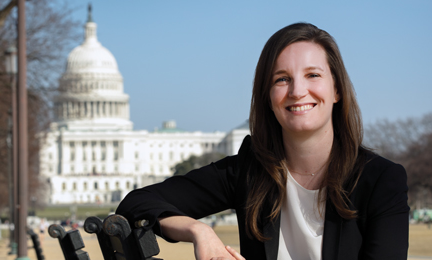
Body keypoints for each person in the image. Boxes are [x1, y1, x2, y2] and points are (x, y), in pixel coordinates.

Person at [116, 22, 409, 260]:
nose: (297, 91)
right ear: (268, 97)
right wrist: (198, 230)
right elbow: (136, 203)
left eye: (313, 75)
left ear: (337, 91)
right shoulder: (250, 170)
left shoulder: (381, 180)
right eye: (282, 79)